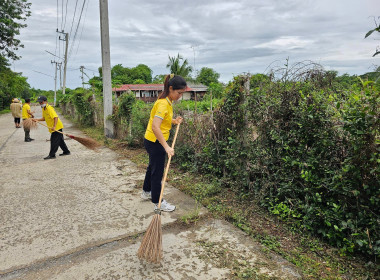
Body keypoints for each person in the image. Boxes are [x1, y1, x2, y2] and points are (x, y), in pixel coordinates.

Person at [141, 74, 186, 212]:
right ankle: (158, 201)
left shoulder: (167, 101)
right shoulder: (162, 104)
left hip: (152, 140)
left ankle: (146, 191)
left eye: (182, 94)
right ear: (171, 88)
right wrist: (166, 147)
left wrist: (174, 121)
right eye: (179, 93)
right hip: (156, 142)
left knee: (152, 167)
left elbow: (163, 121)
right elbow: (155, 126)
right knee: (157, 172)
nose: (180, 96)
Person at [33, 96, 70, 160]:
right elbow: (44, 118)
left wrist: (54, 126)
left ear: (46, 101)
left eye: (41, 102)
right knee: (60, 141)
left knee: (54, 141)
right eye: (39, 102)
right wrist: (37, 119)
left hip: (56, 127)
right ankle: (66, 151)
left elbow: (55, 117)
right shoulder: (44, 109)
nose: (40, 103)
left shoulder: (49, 108)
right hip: (53, 127)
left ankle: (52, 155)